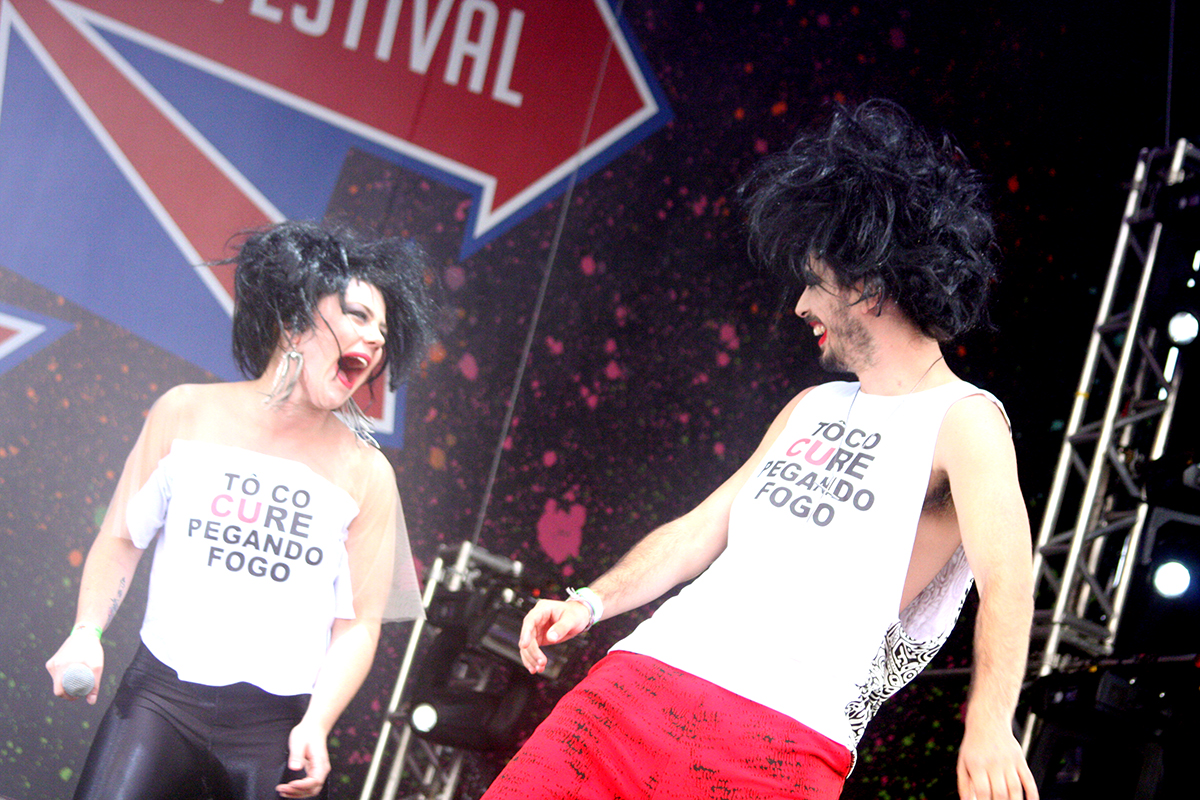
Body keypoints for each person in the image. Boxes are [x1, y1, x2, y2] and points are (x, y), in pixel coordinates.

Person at [482, 100, 1039, 800]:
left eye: (815, 281)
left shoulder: (965, 420)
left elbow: (1009, 580)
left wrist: (988, 723)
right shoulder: (813, 405)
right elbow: (700, 529)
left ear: (868, 284)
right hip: (637, 683)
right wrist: (592, 602)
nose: (801, 305)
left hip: (780, 739)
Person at [45, 221, 435, 800]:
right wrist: (86, 631)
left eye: (383, 330)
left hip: (275, 729)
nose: (375, 339)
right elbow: (122, 539)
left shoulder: (368, 473)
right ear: (294, 317)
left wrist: (318, 723)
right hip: (158, 701)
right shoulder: (183, 413)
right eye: (358, 316)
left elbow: (358, 625)